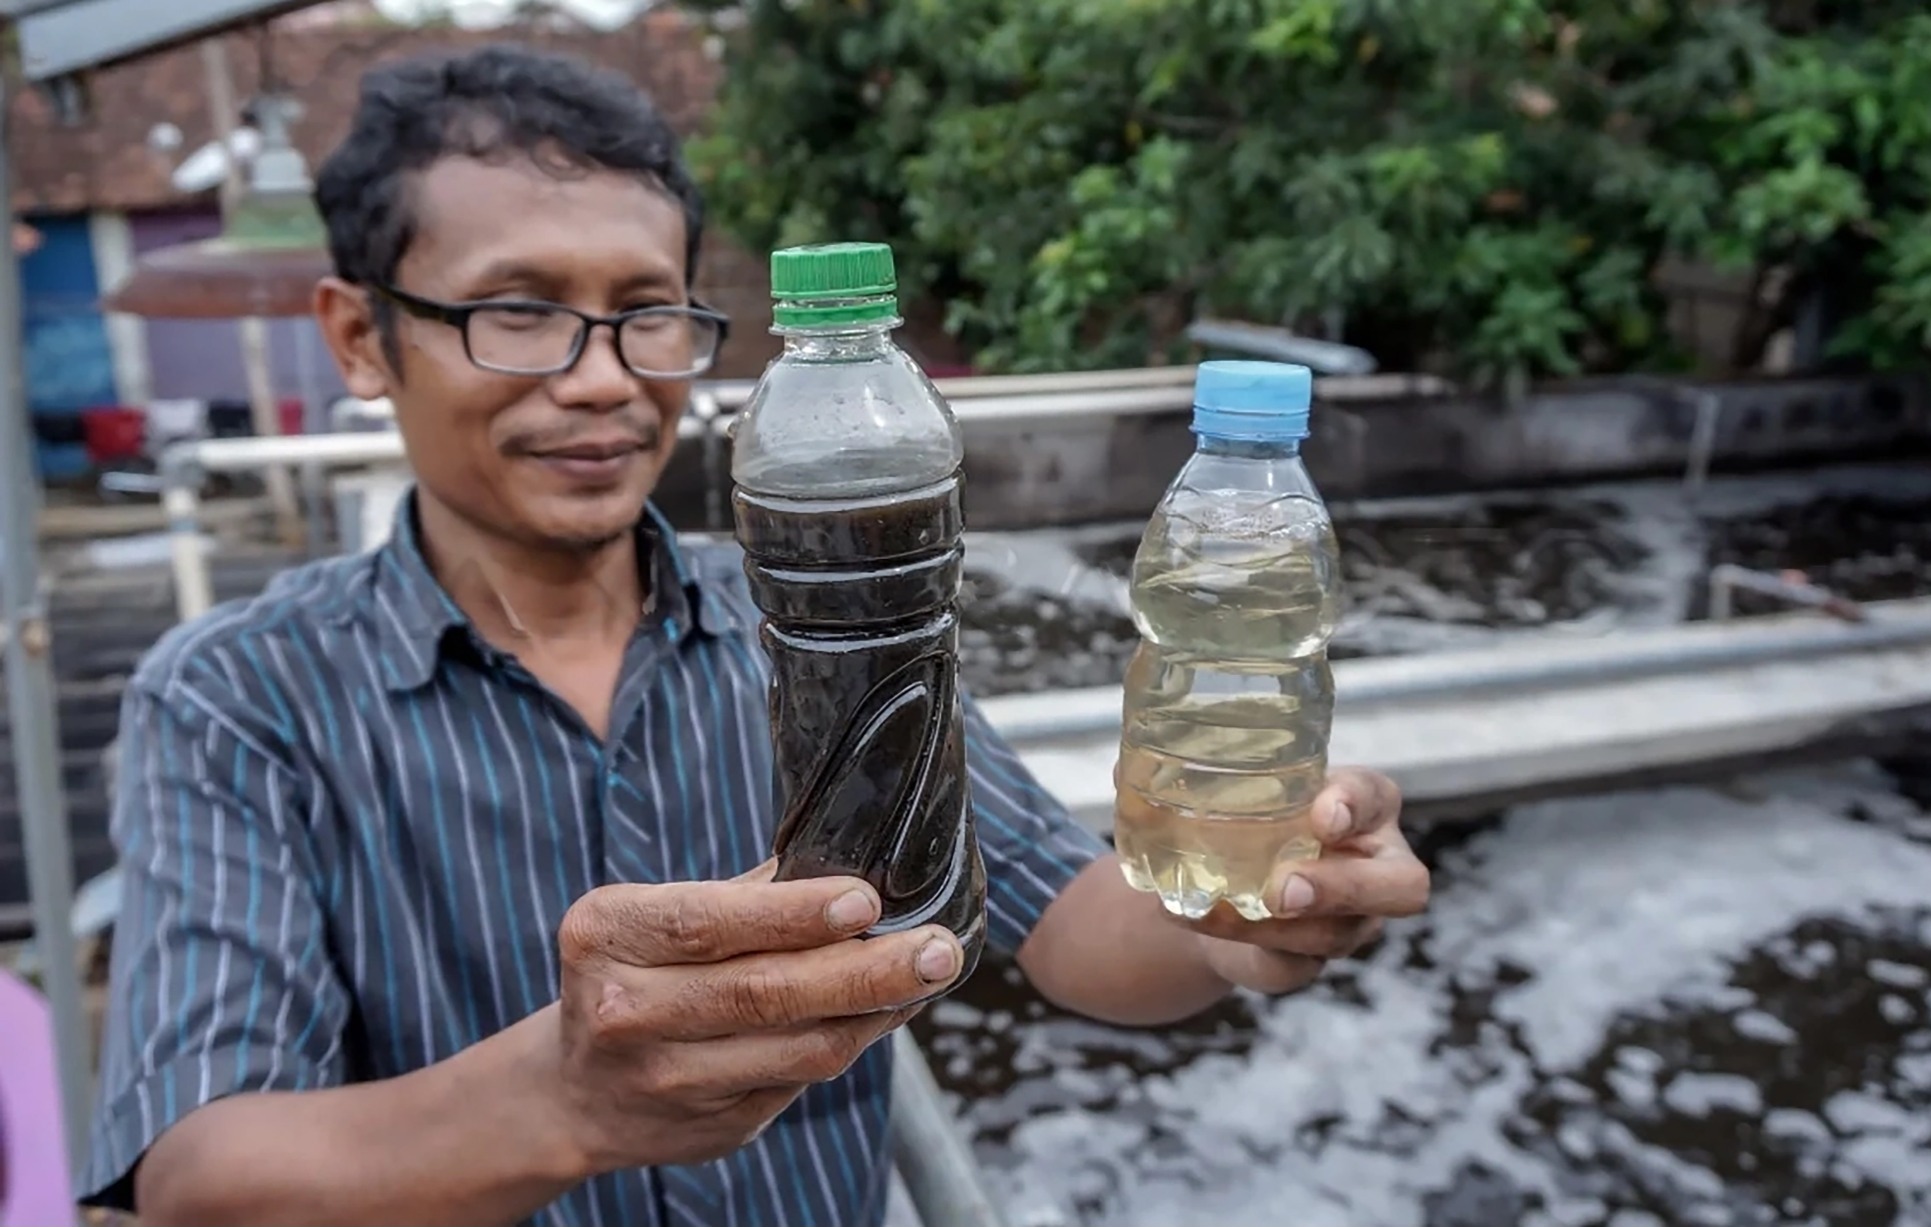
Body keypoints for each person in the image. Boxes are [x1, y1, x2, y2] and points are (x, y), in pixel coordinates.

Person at [78, 43, 1430, 1227]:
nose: (603, 379)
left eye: (648, 313)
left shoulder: (807, 608)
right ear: (361, 338)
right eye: (521, 312)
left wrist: (1242, 907)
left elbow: (1077, 930)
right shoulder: (237, 696)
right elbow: (196, 1176)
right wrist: (564, 1098)